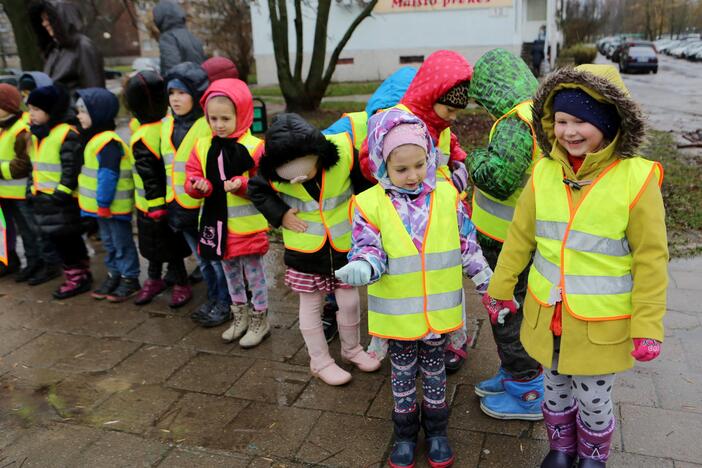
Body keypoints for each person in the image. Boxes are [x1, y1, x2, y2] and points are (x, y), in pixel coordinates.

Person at [485, 64, 668, 468]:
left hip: (599, 324)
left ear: (608, 121)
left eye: (581, 120)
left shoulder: (637, 179)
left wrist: (648, 326)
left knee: (594, 397)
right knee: (554, 389)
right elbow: (519, 238)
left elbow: (652, 259)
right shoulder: (543, 173)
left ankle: (592, 455)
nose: (569, 131)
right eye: (561, 120)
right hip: (545, 314)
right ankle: (562, 448)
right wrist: (499, 289)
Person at [337, 108, 492, 468]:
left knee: (436, 374)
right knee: (402, 376)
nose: (412, 176)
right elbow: (368, 246)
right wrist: (364, 265)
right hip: (399, 319)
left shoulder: (447, 198)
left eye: (420, 165)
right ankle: (405, 433)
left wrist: (487, 283)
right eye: (401, 169)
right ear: (381, 165)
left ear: (429, 157)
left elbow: (467, 245)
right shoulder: (370, 204)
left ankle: (437, 431)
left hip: (438, 315)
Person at [358, 50, 473, 371]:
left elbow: (455, 152)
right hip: (402, 214)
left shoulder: (442, 124)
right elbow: (371, 161)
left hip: (440, 213)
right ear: (430, 95)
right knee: (402, 278)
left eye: (456, 112)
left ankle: (451, 337)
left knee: (445, 277)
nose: (452, 117)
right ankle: (395, 335)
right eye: (449, 109)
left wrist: (458, 172)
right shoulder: (396, 120)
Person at [249, 113, 380, 386]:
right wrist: (281, 214)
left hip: (344, 246)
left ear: (317, 153)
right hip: (305, 252)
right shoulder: (272, 169)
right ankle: (319, 361)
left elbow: (365, 186)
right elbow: (258, 191)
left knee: (350, 301)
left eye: (305, 168)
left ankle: (351, 349)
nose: (299, 176)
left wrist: (371, 219)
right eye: (290, 172)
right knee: (311, 304)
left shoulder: (344, 153)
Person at [466, 48, 544, 420]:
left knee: (506, 313)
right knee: (514, 312)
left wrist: (474, 157)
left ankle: (526, 388)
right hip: (519, 239)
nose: (482, 108)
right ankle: (513, 371)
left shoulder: (517, 122)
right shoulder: (537, 112)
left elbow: (498, 179)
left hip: (506, 243)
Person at [319, 66, 417, 344]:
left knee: (395, 258)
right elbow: (312, 148)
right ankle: (332, 305)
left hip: (398, 201)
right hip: (350, 207)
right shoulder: (351, 126)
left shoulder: (416, 127)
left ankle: (397, 314)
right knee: (342, 263)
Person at [185, 78, 270, 346]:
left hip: (247, 227)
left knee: (254, 275)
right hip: (216, 226)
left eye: (226, 118)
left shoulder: (255, 147)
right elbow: (192, 177)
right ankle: (239, 316)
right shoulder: (201, 146)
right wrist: (199, 187)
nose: (219, 124)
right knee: (230, 275)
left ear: (242, 113)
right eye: (213, 118)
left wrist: (243, 185)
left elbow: (267, 185)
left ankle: (260, 319)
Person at [124, 70, 192, 308]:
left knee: (161, 246)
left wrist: (155, 205)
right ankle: (157, 279)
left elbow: (150, 175)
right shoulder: (165, 124)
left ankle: (178, 281)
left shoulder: (143, 136)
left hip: (152, 206)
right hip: (168, 200)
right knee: (164, 244)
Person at [75, 88, 140, 302]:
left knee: (121, 243)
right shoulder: (95, 138)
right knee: (110, 244)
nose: (78, 116)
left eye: (83, 112)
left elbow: (108, 175)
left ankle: (130, 278)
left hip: (112, 207)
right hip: (101, 209)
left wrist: (102, 203)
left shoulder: (108, 142)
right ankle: (114, 275)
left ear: (98, 113)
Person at [27, 84, 91, 299]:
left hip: (61, 202)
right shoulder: (41, 134)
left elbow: (70, 169)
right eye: (30, 109)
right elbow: (36, 166)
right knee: (61, 240)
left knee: (67, 241)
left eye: (36, 109)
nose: (31, 114)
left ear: (51, 110)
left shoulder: (65, 134)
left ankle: (77, 277)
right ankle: (78, 273)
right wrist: (31, 189)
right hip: (45, 200)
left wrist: (60, 194)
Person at [161, 62, 213, 315]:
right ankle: (215, 297)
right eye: (171, 93)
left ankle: (223, 299)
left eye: (182, 92)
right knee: (202, 261)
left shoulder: (207, 126)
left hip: (204, 207)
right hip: (179, 206)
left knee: (213, 260)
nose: (175, 99)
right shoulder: (167, 124)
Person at [13, 74, 62, 284]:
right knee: (34, 232)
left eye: (34, 107)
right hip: (35, 192)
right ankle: (40, 262)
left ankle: (54, 265)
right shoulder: (33, 133)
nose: (27, 105)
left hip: (54, 196)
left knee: (52, 234)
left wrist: (63, 191)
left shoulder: (54, 132)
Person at [28, 0, 105, 94]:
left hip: (75, 108)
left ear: (61, 19)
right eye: (42, 19)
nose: (44, 24)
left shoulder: (83, 47)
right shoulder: (54, 49)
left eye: (48, 19)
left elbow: (95, 93)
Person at [0, 84, 34, 278]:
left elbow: (22, 164)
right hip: (3, 191)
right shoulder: (3, 126)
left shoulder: (21, 129)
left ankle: (34, 262)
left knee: (27, 229)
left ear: (9, 106)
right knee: (4, 229)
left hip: (19, 192)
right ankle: (8, 260)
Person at [152, 0, 206, 75]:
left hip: (181, 85)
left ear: (159, 16)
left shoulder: (168, 37)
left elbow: (172, 69)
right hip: (199, 83)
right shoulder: (192, 36)